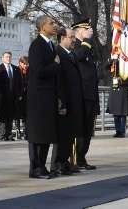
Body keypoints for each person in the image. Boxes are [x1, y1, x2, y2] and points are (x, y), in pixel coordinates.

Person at [26, 15, 60, 179]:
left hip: (49, 96)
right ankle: (35, 168)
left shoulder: (51, 45)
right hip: (39, 97)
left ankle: (43, 166)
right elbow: (38, 71)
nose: (54, 26)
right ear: (42, 27)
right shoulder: (37, 45)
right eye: (51, 23)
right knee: (37, 133)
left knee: (46, 133)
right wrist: (55, 64)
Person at [50, 27, 84, 176]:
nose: (74, 40)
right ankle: (57, 164)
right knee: (62, 135)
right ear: (62, 38)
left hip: (74, 101)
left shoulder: (71, 54)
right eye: (71, 37)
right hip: (64, 100)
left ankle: (65, 163)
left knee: (70, 134)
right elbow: (57, 80)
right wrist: (60, 101)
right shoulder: (57, 53)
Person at [72, 19, 99, 170]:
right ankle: (75, 159)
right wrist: (87, 41)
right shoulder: (76, 45)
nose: (90, 31)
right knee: (79, 130)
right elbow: (78, 57)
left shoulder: (88, 47)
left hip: (90, 95)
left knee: (88, 130)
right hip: (81, 96)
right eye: (87, 29)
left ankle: (82, 158)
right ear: (80, 31)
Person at [0, 51, 23, 141]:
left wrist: (19, 94)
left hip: (13, 97)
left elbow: (20, 83)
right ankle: (2, 135)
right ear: (2, 58)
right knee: (2, 117)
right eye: (6, 57)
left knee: (10, 116)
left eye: (10, 57)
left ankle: (9, 135)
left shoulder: (16, 69)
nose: (8, 58)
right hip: (3, 97)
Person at [107, 56, 128, 138]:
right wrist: (112, 59)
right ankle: (117, 131)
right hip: (114, 90)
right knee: (115, 113)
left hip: (122, 90)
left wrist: (121, 80)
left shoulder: (126, 64)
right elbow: (106, 67)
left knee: (122, 113)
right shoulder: (114, 62)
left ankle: (122, 131)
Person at [15, 56, 28, 140]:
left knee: (25, 115)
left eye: (26, 63)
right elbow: (15, 84)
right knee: (17, 115)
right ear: (20, 63)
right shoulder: (16, 70)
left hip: (26, 96)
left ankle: (25, 132)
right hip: (18, 97)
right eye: (24, 63)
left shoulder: (28, 71)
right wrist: (18, 94)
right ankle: (18, 131)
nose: (25, 65)